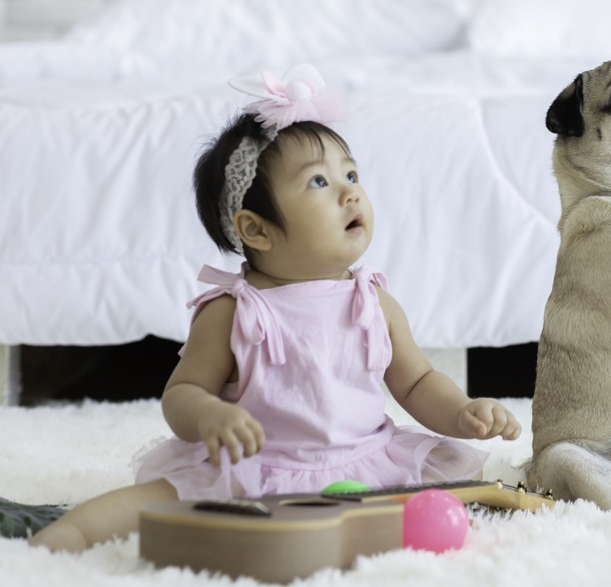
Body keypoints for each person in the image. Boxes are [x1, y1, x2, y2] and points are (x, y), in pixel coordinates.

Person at [31, 65, 521, 552]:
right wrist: (208, 418)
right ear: (256, 230)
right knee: (156, 502)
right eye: (317, 183)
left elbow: (415, 383)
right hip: (257, 468)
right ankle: (69, 535)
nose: (350, 191)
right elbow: (182, 392)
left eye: (350, 174)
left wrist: (461, 412)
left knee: (444, 510)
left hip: (366, 464)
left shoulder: (373, 301)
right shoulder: (234, 310)